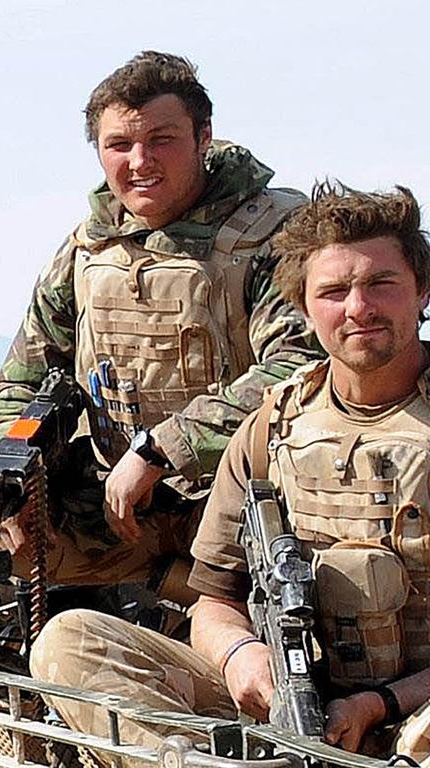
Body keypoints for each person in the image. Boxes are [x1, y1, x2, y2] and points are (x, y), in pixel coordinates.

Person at [0, 50, 321, 734]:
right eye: (119, 145)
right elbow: (25, 372)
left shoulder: (276, 235)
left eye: (160, 141)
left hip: (242, 513)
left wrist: (164, 447)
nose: (139, 162)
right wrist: (1, 472)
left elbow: (297, 368)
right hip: (112, 512)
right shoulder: (89, 248)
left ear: (204, 138)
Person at [29, 183, 430, 762]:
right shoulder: (272, 426)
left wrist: (379, 705)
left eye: (381, 284)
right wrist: (241, 655)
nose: (358, 308)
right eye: (334, 291)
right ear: (304, 307)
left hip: (413, 710)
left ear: (421, 291)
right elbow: (214, 600)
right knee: (69, 643)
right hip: (293, 704)